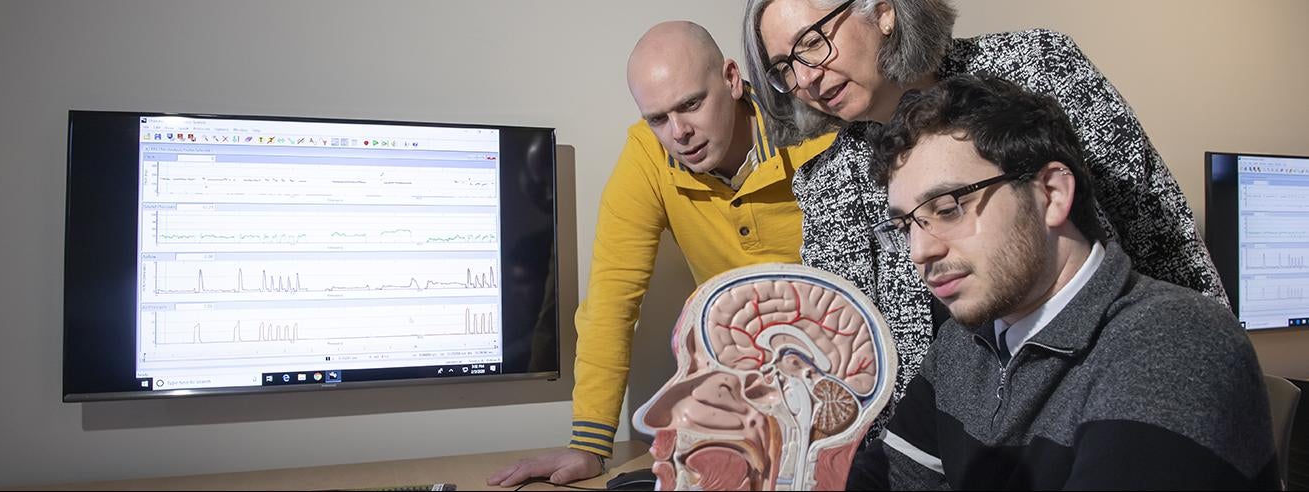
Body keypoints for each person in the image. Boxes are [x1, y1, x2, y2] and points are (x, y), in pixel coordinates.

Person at [740, 0, 1227, 437]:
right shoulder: (828, 183)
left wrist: (1219, 383)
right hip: (959, 447)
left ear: (883, 11)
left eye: (811, 43)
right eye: (785, 67)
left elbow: (1161, 234)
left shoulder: (1037, 67)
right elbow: (856, 370)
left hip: (1118, 399)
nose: (804, 78)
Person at [854, 74, 1276, 489]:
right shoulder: (963, 343)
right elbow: (887, 478)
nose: (919, 251)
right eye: (907, 226)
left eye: (947, 209)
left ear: (1052, 194)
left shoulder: (1177, 343)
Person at [486, 21, 834, 487]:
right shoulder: (648, 156)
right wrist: (590, 443)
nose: (679, 133)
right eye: (658, 118)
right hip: (746, 394)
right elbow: (610, 301)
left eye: (691, 104)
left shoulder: (816, 127)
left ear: (731, 79)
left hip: (849, 367)